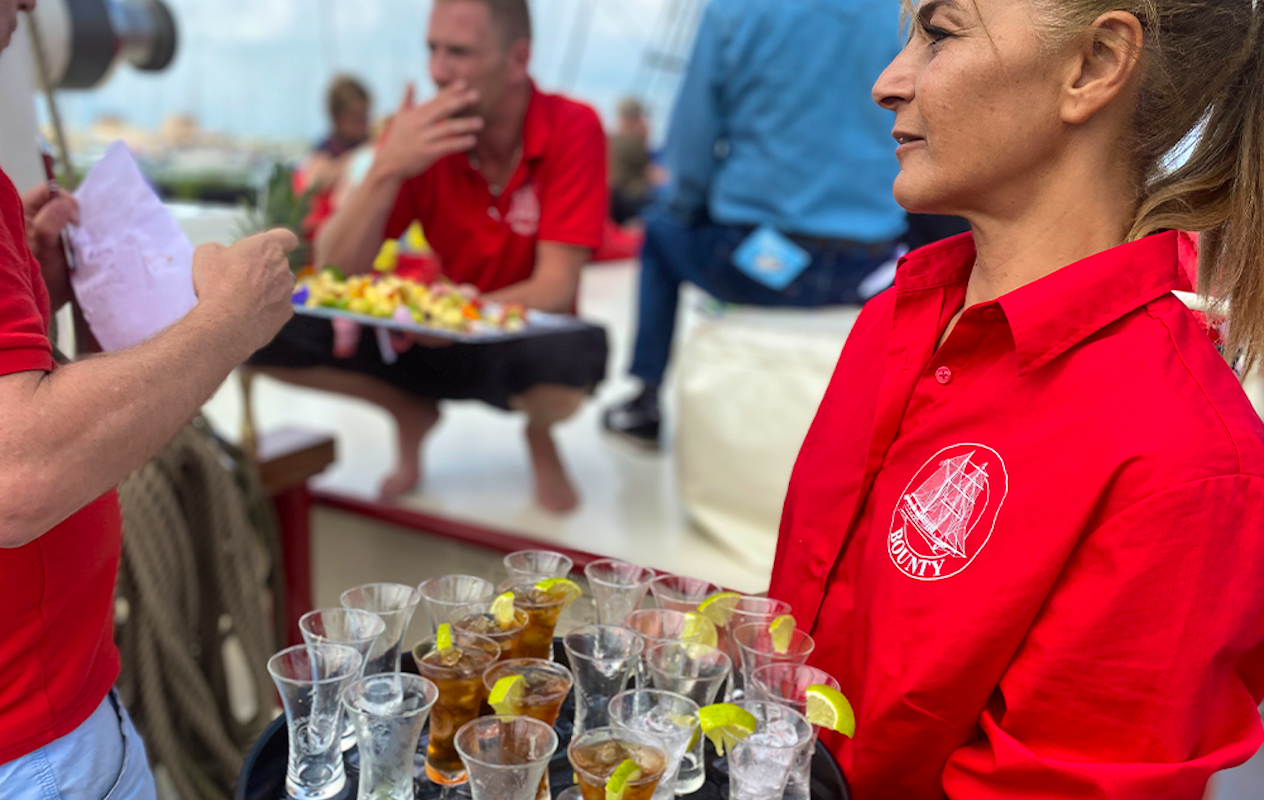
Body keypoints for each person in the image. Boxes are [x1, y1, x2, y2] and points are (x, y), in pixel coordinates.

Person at [769, 0, 1264, 796]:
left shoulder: (1187, 462)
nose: (887, 82)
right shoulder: (891, 320)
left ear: (1095, 64)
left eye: (940, 33)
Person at [0, 8, 299, 797]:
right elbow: (16, 474)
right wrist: (229, 321)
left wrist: (33, 286)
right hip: (35, 748)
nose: (30, 6)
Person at [250, 0, 608, 512]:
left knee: (579, 354)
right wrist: (385, 167)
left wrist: (459, 317)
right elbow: (333, 269)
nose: (438, 71)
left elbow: (556, 285)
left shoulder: (573, 127)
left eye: (459, 52)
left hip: (510, 330)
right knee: (262, 326)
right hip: (428, 330)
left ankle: (539, 431)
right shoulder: (420, 137)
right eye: (433, 50)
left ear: (517, 60)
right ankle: (408, 410)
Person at [602, 0, 908, 448]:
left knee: (661, 235)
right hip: (870, 270)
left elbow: (691, 147)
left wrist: (685, 208)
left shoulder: (733, 9)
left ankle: (645, 401)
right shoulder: (903, 15)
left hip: (755, 261)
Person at [297, 75, 372, 241]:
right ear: (338, 118)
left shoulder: (369, 142)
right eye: (356, 118)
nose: (363, 123)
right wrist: (352, 161)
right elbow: (312, 183)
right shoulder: (327, 150)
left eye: (365, 116)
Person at [608, 97, 656, 225]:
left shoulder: (609, 139)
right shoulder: (633, 142)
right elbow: (650, 173)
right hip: (629, 199)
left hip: (612, 199)